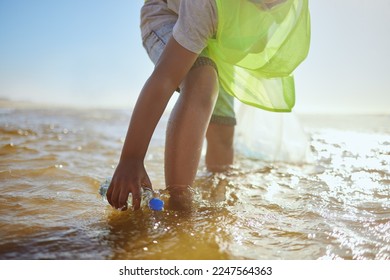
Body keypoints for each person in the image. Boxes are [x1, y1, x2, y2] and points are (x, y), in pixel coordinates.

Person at [106, 0, 310, 211]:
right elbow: (165, 78)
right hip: (168, 16)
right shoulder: (204, 3)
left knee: (222, 132)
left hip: (218, 40)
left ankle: (217, 203)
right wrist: (132, 158)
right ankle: (179, 204)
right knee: (202, 78)